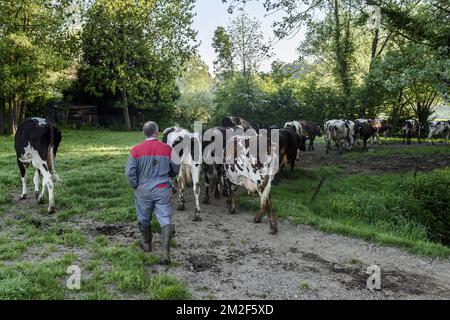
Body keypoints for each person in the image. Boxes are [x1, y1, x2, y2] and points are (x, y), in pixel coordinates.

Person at [125, 121, 180, 264]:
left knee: (144, 218)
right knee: (165, 219)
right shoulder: (168, 149)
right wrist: (168, 176)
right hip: (162, 188)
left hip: (142, 189)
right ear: (157, 132)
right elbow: (176, 167)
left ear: (144, 133)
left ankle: (147, 244)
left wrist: (136, 185)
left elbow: (130, 172)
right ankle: (165, 254)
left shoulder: (135, 150)